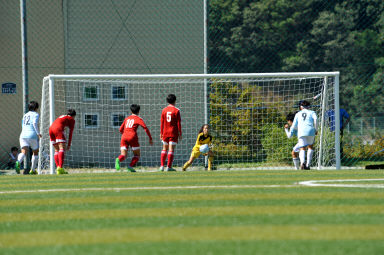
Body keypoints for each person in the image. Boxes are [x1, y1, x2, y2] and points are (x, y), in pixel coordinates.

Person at [115, 104, 153, 172]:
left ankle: (118, 159)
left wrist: (125, 134)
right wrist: (150, 138)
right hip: (132, 136)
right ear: (138, 111)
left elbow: (120, 129)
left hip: (124, 136)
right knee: (137, 155)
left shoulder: (127, 118)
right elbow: (145, 128)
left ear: (131, 111)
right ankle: (130, 166)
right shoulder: (138, 119)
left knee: (123, 155)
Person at [15, 101, 42, 175]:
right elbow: (34, 123)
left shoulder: (25, 115)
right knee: (35, 152)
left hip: (23, 135)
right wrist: (38, 133)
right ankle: (32, 170)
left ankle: (18, 162)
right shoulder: (36, 114)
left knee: (24, 151)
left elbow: (22, 125)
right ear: (36, 108)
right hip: (32, 135)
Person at [289, 100, 317, 170]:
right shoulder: (312, 112)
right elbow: (316, 119)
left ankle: (302, 163)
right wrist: (316, 129)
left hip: (301, 132)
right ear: (309, 107)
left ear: (301, 107)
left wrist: (290, 133)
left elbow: (294, 125)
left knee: (302, 148)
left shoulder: (298, 114)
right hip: (311, 131)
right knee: (310, 146)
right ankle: (308, 165)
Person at [48, 109, 76, 174]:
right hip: (58, 129)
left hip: (51, 129)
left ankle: (58, 168)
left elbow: (60, 123)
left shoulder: (63, 116)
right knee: (62, 148)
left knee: (56, 150)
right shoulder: (72, 119)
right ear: (74, 116)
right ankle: (60, 167)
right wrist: (69, 145)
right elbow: (70, 133)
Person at [159, 94, 182, 171]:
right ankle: (169, 167)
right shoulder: (176, 110)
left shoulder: (164, 110)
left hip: (165, 132)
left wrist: (161, 133)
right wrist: (180, 133)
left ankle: (162, 166)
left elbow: (162, 123)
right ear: (175, 100)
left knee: (164, 148)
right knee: (171, 149)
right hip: (173, 132)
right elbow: (179, 123)